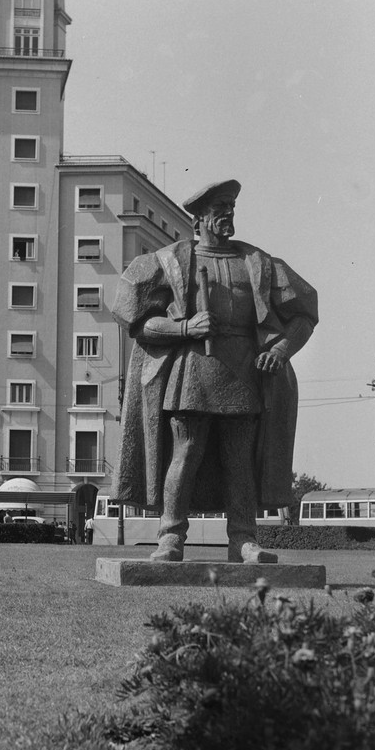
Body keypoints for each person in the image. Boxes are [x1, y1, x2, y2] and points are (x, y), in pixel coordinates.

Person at [112, 179, 318, 564]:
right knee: (186, 450)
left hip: (243, 374)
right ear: (198, 219)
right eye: (219, 208)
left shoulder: (258, 264)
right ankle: (171, 537)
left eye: (231, 207)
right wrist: (185, 328)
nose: (228, 213)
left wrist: (280, 349)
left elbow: (305, 314)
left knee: (239, 459)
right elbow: (138, 323)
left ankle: (243, 540)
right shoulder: (169, 261)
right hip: (191, 372)